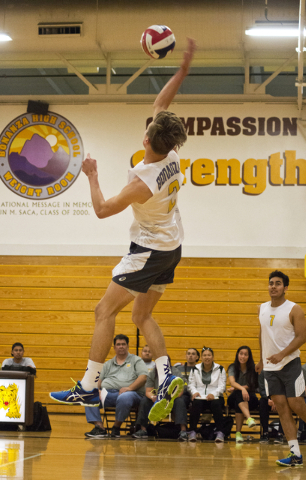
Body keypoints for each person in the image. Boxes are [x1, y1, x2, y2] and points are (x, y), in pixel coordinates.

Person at [50, 38, 197, 424]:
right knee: (141, 316)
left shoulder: (143, 180)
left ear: (147, 140)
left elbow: (101, 210)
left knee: (105, 310)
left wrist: (93, 175)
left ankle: (87, 383)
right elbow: (161, 106)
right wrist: (181, 71)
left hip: (148, 250)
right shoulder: (173, 156)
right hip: (172, 246)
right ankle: (167, 376)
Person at [255, 270, 306, 467]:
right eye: (271, 283)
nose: (273, 286)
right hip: (270, 367)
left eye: (278, 283)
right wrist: (262, 359)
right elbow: (262, 334)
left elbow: (301, 337)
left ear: (285, 287)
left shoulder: (294, 309)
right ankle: (295, 454)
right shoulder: (261, 308)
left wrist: (282, 354)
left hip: (290, 364)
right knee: (281, 408)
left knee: (296, 404)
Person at [84, 334, 148, 438]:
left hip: (132, 393)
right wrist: (97, 389)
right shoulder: (108, 364)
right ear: (114, 347)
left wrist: (129, 388)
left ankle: (116, 427)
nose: (121, 346)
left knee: (124, 397)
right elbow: (98, 380)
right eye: (118, 344)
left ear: (127, 346)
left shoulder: (136, 360)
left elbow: (143, 377)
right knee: (88, 395)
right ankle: (100, 428)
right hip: (108, 394)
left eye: (123, 344)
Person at [132, 362, 188, 441]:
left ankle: (183, 431)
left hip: (172, 398)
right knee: (145, 400)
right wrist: (152, 397)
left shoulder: (175, 371)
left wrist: (169, 398)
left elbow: (180, 390)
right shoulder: (152, 373)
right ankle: (143, 430)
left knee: (180, 401)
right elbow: (148, 391)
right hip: (157, 398)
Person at [188, 347, 226, 443]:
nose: (207, 357)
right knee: (195, 404)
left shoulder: (220, 369)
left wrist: (213, 394)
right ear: (201, 357)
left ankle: (220, 432)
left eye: (209, 355)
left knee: (216, 404)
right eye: (204, 355)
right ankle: (192, 431)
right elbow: (191, 384)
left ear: (213, 357)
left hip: (216, 397)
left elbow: (222, 386)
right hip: (200, 396)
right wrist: (194, 392)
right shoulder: (195, 369)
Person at [227, 346, 259, 443]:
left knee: (238, 399)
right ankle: (249, 418)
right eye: (241, 354)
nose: (243, 356)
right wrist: (241, 388)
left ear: (249, 357)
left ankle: (238, 434)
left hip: (251, 398)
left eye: (245, 354)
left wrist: (238, 388)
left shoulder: (254, 368)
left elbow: (252, 385)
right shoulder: (232, 367)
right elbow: (232, 382)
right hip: (234, 398)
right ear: (237, 355)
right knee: (238, 395)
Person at [258, 369, 284, 444]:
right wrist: (269, 398)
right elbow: (262, 389)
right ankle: (265, 433)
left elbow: (284, 388)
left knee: (284, 405)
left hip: (280, 398)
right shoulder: (263, 372)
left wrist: (276, 400)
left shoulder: (283, 371)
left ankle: (280, 434)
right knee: (262, 402)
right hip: (268, 399)